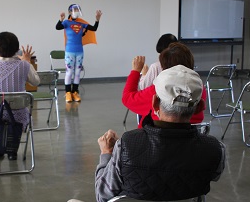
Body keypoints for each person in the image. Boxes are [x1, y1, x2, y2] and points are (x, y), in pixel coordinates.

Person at [96, 65, 226, 202]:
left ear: (155, 103)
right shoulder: (215, 149)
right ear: (200, 107)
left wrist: (107, 153)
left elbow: (102, 195)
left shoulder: (126, 145)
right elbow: (213, 175)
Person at [0, 31, 40, 160]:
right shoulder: (24, 65)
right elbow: (36, 81)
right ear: (16, 49)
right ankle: (12, 150)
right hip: (18, 114)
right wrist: (27, 62)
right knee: (15, 115)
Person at [122, 42, 206, 128]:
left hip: (153, 139)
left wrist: (135, 71)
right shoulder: (199, 88)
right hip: (192, 138)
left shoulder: (159, 89)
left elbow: (127, 98)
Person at [56, 4, 102, 103]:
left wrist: (97, 20)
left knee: (77, 72)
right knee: (69, 72)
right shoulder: (66, 22)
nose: (77, 11)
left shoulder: (81, 24)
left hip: (79, 51)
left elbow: (94, 28)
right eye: (75, 9)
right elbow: (58, 27)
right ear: (70, 11)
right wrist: (60, 19)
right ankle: (68, 92)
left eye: (78, 9)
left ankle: (75, 92)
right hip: (69, 51)